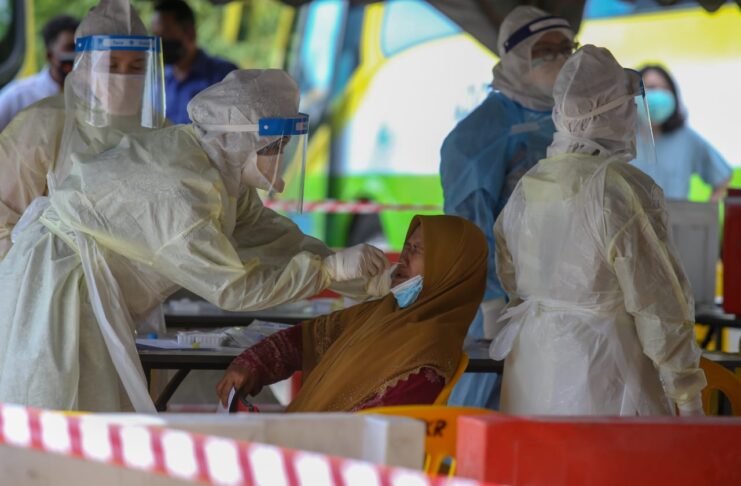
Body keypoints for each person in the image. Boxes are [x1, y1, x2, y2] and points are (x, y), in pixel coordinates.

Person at [0, 68, 389, 413]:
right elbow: (234, 288)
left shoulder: (218, 167)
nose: (282, 157)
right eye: (275, 146)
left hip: (84, 290)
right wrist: (328, 271)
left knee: (98, 423)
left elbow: (270, 235)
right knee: (69, 418)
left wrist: (358, 276)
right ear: (241, 139)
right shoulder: (183, 191)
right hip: (58, 294)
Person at [491, 45, 707, 416]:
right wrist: (686, 394)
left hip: (531, 366)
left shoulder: (530, 184)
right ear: (611, 113)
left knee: (536, 454)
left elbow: (511, 279)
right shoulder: (620, 189)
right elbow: (659, 305)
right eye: (627, 107)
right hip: (604, 370)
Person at [439, 6, 576, 408]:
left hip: (563, 298)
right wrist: (489, 300)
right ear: (515, 57)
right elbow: (467, 226)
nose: (561, 60)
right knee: (488, 406)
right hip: (500, 302)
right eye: (546, 51)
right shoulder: (480, 132)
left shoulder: (574, 121)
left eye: (567, 49)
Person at [216, 215, 487, 412]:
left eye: (417, 250)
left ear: (447, 270)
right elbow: (308, 338)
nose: (403, 258)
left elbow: (370, 429)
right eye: (406, 246)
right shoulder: (384, 313)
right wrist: (251, 364)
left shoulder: (427, 356)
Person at [0, 0, 166, 261]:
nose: (124, 78)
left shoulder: (162, 133)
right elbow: (3, 217)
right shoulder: (43, 125)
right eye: (111, 66)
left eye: (136, 67)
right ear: (85, 65)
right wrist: (35, 272)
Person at [632, 64, 732, 202]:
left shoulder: (687, 139)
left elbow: (723, 176)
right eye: (652, 87)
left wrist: (705, 212)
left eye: (665, 89)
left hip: (674, 216)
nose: (659, 94)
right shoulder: (620, 141)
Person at [152, 0, 238, 124]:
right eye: (155, 35)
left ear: (190, 33)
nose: (158, 42)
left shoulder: (224, 76)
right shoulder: (159, 81)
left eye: (165, 34)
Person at [0, 15, 79, 131]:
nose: (77, 55)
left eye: (81, 48)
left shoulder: (89, 96)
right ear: (49, 55)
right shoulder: (19, 96)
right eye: (70, 48)